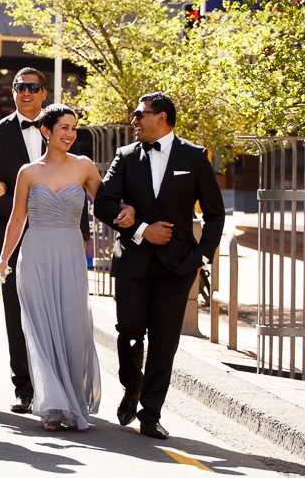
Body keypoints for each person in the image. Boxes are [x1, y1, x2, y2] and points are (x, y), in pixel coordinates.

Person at [94, 92, 224, 440]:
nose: (134, 120)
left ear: (161, 117)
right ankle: (131, 388)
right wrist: (140, 230)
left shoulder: (194, 157)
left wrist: (202, 257)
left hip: (178, 265)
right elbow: (102, 204)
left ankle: (151, 413)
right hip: (133, 259)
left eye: (140, 114)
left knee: (165, 340)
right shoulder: (124, 156)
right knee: (130, 330)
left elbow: (214, 213)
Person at [0, 104, 102, 431]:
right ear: (47, 132)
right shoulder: (28, 172)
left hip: (70, 254)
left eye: (73, 128)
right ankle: (53, 405)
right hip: (35, 254)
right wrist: (2, 260)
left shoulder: (84, 167)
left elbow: (108, 204)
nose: (70, 134)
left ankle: (73, 401)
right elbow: (17, 219)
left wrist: (132, 218)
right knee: (41, 330)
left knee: (71, 328)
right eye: (63, 128)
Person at [0, 67, 47, 414]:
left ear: (43, 93)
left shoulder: (59, 126)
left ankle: (54, 384)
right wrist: (10, 200)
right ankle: (23, 388)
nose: (26, 92)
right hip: (11, 235)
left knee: (51, 309)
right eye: (20, 87)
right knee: (15, 310)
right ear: (14, 91)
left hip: (54, 233)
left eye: (32, 87)